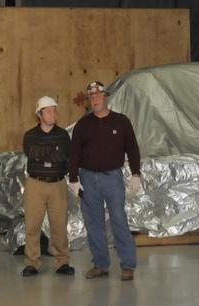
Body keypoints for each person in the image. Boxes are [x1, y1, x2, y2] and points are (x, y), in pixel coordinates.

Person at [68, 81, 141, 281]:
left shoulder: (121, 121)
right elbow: (74, 153)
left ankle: (127, 265)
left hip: (112, 178)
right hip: (88, 178)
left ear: (105, 97)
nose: (95, 99)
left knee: (118, 219)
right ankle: (100, 264)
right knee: (93, 223)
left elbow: (132, 147)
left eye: (98, 95)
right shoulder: (83, 124)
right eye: (91, 96)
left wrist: (136, 172)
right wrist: (73, 178)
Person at [21, 95, 74, 278]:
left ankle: (62, 262)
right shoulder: (29, 135)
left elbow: (64, 156)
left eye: (54, 110)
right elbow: (32, 152)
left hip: (57, 184)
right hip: (35, 184)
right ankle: (31, 263)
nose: (53, 114)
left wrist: (45, 153)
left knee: (59, 226)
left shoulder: (63, 135)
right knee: (32, 226)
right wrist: (54, 151)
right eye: (49, 110)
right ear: (39, 114)